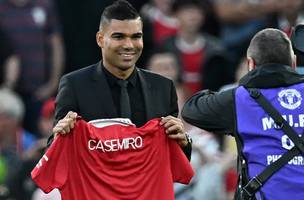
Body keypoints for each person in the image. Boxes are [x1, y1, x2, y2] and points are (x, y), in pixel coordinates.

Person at [51, 0, 191, 158]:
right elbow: (54, 152)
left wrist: (183, 142)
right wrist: (59, 138)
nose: (129, 45)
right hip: (97, 181)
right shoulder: (74, 85)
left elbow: (176, 159)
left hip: (146, 181)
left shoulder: (163, 87)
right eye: (119, 37)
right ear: (100, 39)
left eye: (136, 36)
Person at [182, 28, 304, 199]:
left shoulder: (239, 99)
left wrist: (246, 83)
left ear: (251, 64)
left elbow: (191, 109)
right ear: (293, 63)